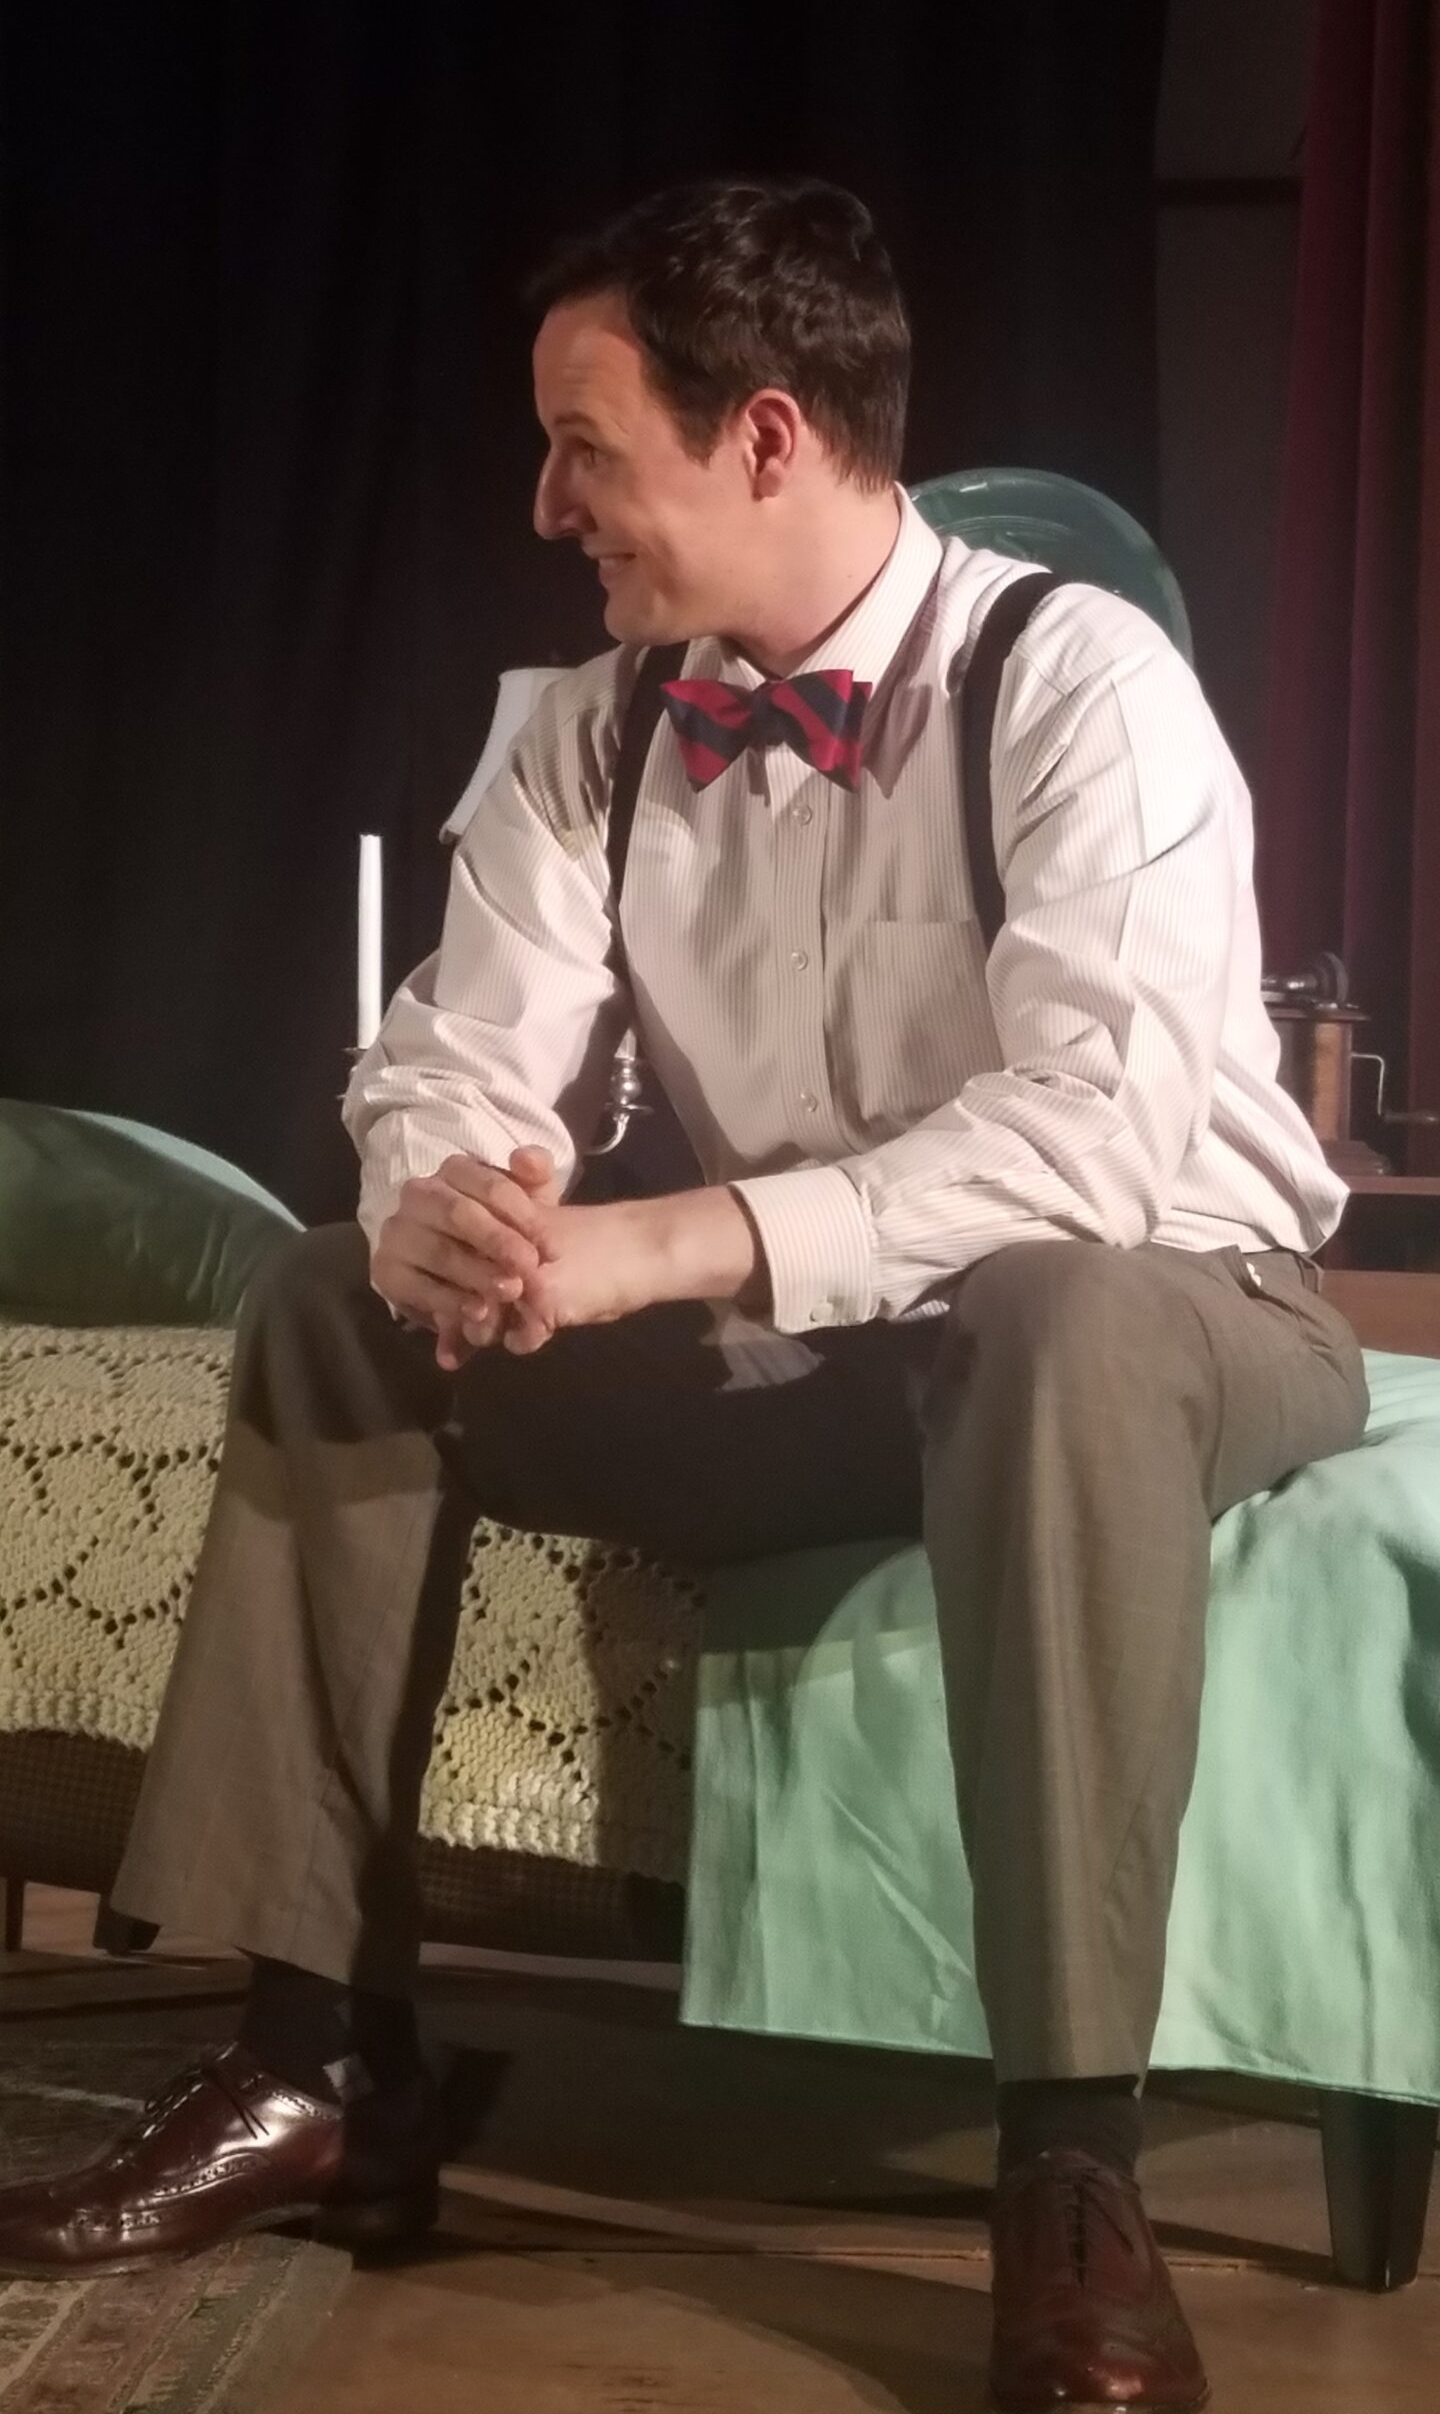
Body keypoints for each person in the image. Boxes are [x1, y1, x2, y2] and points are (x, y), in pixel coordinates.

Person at [0, 177, 1364, 2412]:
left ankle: (1071, 2163)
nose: (545, 504)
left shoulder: (1079, 685)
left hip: (1179, 1307)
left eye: (583, 445)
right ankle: (318, 2062)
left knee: (1057, 1313)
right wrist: (449, 1190)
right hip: (833, 1356)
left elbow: (1093, 1143)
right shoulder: (598, 722)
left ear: (764, 434)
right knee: (339, 1300)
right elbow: (453, 1045)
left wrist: (672, 1238)